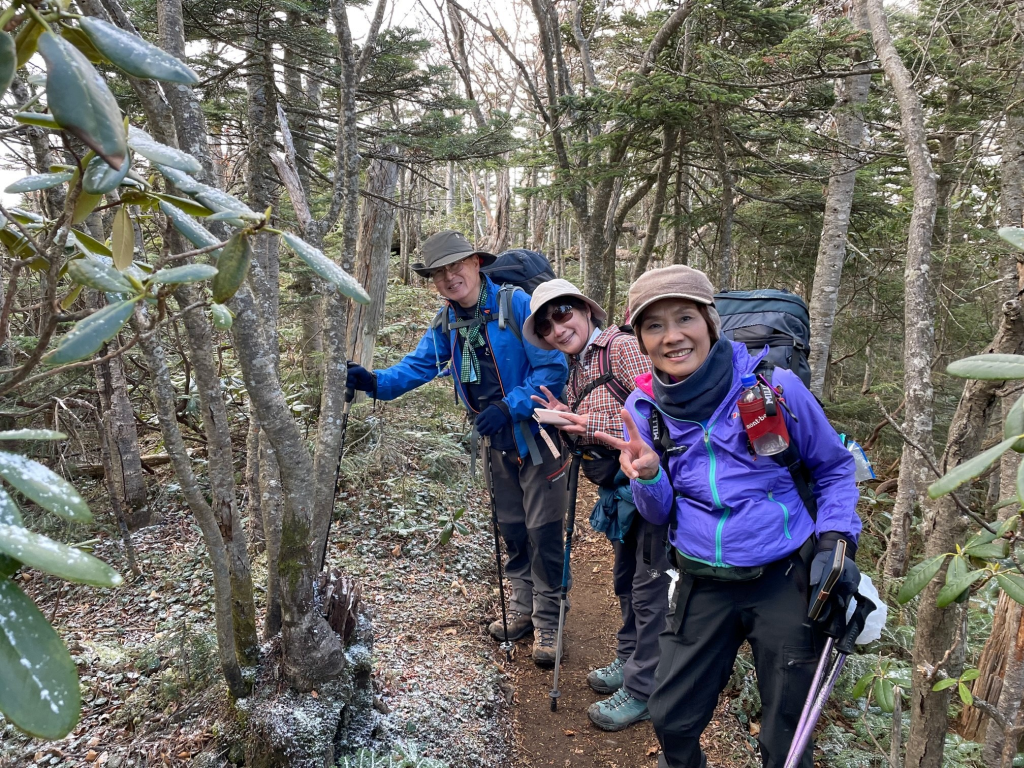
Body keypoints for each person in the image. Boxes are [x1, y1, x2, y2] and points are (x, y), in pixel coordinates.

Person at [595, 265, 862, 768]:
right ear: (641, 340)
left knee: (785, 740)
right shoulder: (645, 408)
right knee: (672, 718)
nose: (673, 336)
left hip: (783, 576)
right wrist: (648, 476)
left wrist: (835, 540)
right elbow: (658, 512)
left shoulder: (773, 387)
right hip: (702, 579)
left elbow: (833, 468)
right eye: (654, 325)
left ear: (711, 323)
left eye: (685, 318)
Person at [345, 230, 571, 666]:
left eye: (457, 266)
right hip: (494, 440)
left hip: (538, 435)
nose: (451, 277)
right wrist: (374, 383)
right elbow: (418, 366)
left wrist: (510, 407)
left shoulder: (516, 305)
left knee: (543, 531)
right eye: (440, 272)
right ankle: (523, 609)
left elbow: (552, 366)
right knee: (513, 528)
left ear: (475, 263)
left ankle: (550, 619)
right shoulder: (446, 321)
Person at [523, 279, 667, 732]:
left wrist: (586, 421)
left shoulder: (619, 346)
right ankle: (629, 661)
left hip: (651, 487)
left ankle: (646, 688)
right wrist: (567, 416)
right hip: (620, 493)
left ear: (586, 310)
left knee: (649, 590)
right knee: (626, 582)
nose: (557, 328)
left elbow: (659, 408)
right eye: (546, 324)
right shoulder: (578, 366)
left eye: (563, 313)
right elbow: (603, 415)